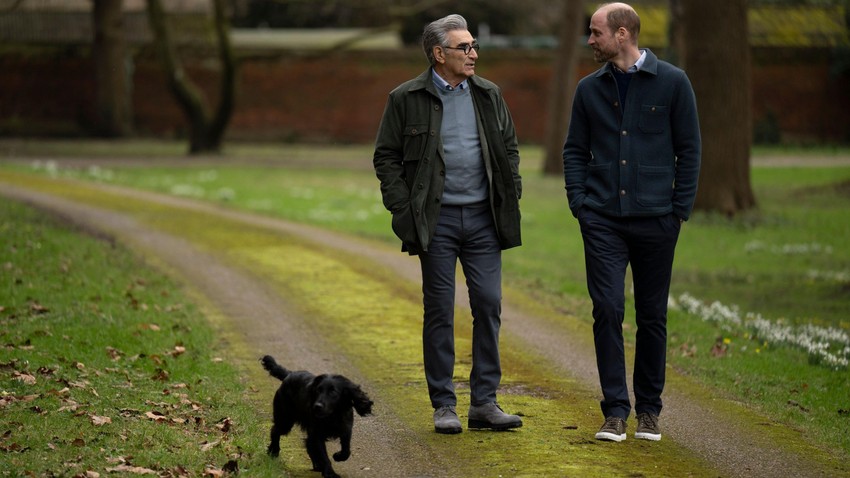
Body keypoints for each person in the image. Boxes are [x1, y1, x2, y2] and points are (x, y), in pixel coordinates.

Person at [373, 14, 523, 434]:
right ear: (439, 54)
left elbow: (509, 149)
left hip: (483, 220)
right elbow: (385, 157)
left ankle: (485, 403)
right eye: (465, 47)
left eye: (474, 46)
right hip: (434, 222)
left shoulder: (489, 95)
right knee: (439, 310)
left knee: (488, 305)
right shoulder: (405, 98)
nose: (474, 54)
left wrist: (512, 191)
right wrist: (404, 210)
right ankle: (443, 405)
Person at [563, 2, 701, 442]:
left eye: (596, 32)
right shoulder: (588, 90)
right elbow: (573, 151)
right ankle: (615, 411)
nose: (590, 39)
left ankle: (649, 411)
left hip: (657, 220)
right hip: (601, 218)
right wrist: (580, 205)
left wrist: (678, 210)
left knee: (652, 315)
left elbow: (690, 150)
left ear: (622, 35)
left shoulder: (674, 83)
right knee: (606, 309)